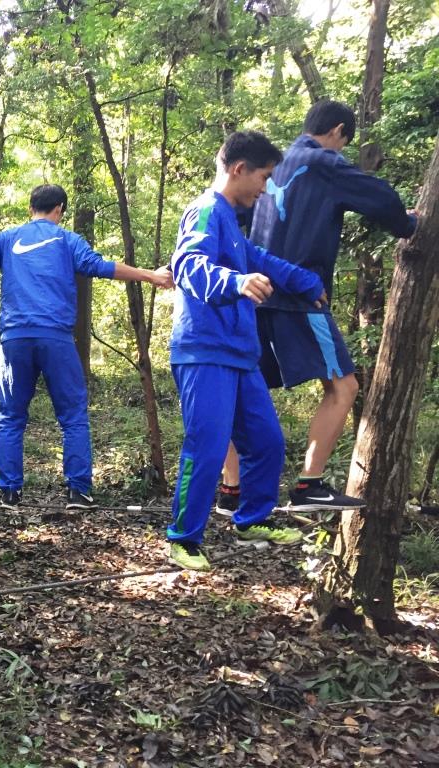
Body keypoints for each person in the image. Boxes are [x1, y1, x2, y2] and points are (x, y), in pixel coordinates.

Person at [217, 100, 418, 515]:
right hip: (300, 298)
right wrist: (408, 224)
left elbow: (236, 221)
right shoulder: (323, 161)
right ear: (339, 131)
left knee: (242, 388)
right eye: (344, 143)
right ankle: (310, 484)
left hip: (256, 298)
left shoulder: (270, 166)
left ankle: (230, 489)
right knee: (344, 387)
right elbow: (378, 196)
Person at [0, 184, 173, 510]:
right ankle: (78, 492)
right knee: (73, 415)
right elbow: (101, 266)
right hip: (55, 338)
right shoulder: (68, 240)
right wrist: (151, 276)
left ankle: (10, 493)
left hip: (15, 339)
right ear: (59, 209)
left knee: (10, 416)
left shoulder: (9, 238)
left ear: (30, 207)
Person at [167, 131, 327, 572]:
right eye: (263, 176)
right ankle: (182, 538)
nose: (265, 187)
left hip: (240, 353)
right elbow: (189, 265)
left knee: (267, 442)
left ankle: (252, 519)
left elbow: (263, 260)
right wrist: (235, 283)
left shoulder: (233, 230)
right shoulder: (204, 211)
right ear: (239, 169)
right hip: (203, 351)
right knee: (208, 445)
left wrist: (309, 284)